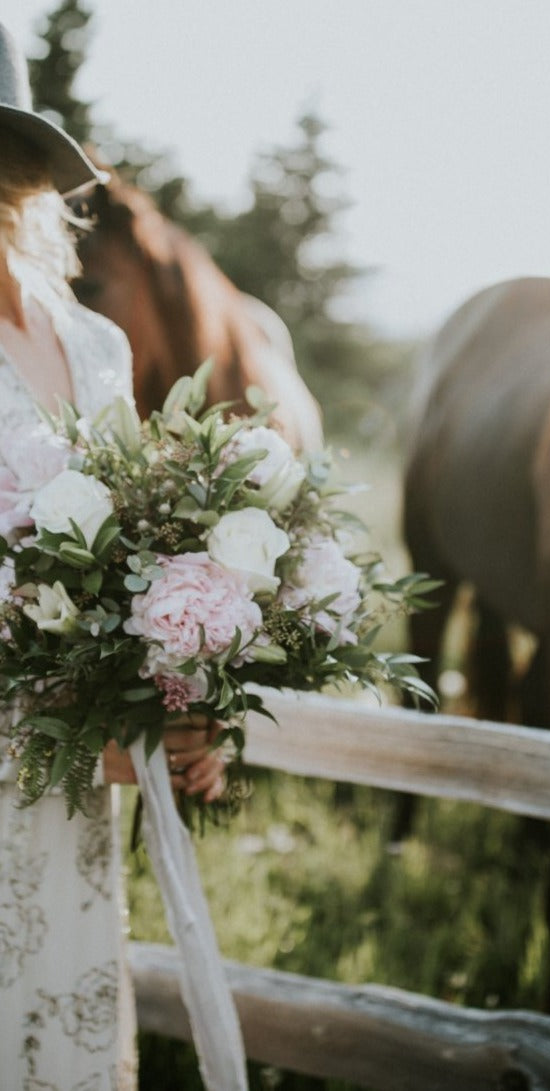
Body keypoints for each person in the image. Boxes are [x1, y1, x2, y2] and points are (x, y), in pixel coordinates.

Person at [0, 23, 226, 1090]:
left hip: (67, 814)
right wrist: (78, 728)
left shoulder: (94, 342)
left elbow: (133, 560)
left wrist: (183, 702)